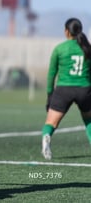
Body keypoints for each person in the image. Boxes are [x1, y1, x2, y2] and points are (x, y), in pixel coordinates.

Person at [42, 18, 91, 160]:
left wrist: (50, 95)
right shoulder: (87, 48)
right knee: (89, 120)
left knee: (51, 123)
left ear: (66, 31)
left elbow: (51, 74)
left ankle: (46, 138)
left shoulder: (60, 48)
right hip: (84, 90)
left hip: (64, 90)